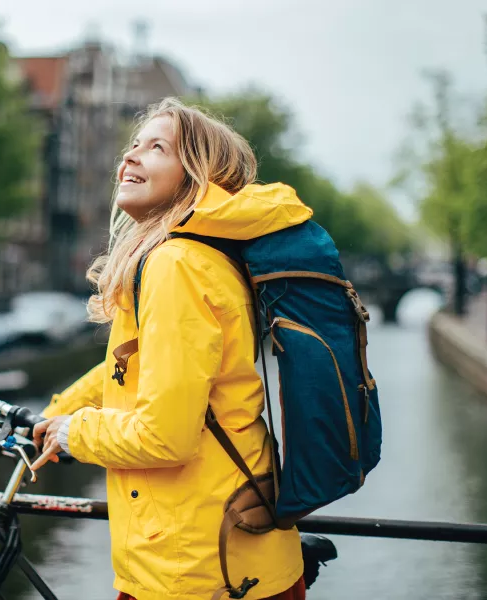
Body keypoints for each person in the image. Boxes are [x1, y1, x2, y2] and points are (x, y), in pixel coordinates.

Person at [32, 98, 307, 600]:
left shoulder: (175, 265)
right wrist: (54, 412)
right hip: (211, 554)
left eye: (157, 148)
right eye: (133, 146)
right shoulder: (192, 255)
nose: (131, 157)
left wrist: (74, 433)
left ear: (195, 177)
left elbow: (165, 438)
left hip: (200, 571)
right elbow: (132, 368)